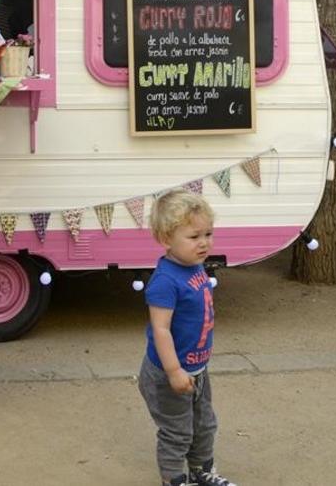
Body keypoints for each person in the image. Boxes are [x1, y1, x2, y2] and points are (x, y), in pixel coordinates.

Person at [138, 190, 237, 486]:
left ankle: (201, 472)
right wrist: (174, 370)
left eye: (208, 233)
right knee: (177, 432)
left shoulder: (194, 266)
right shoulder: (165, 281)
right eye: (194, 237)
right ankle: (174, 480)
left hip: (196, 368)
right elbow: (161, 329)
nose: (204, 242)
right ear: (167, 238)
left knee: (205, 424)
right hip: (169, 374)